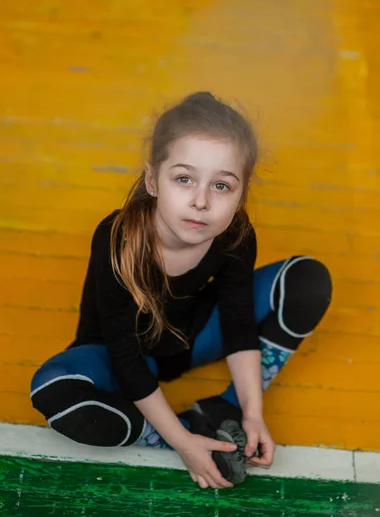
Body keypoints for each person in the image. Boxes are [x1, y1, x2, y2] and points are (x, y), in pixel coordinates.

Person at [30, 92, 332, 490]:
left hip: (195, 337)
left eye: (222, 186)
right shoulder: (118, 236)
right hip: (121, 356)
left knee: (307, 279)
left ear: (242, 193)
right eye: (184, 179)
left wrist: (252, 415)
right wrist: (181, 442)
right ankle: (175, 434)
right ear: (153, 179)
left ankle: (223, 409)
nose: (201, 201)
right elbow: (123, 356)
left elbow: (239, 325)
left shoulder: (236, 234)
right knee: (53, 389)